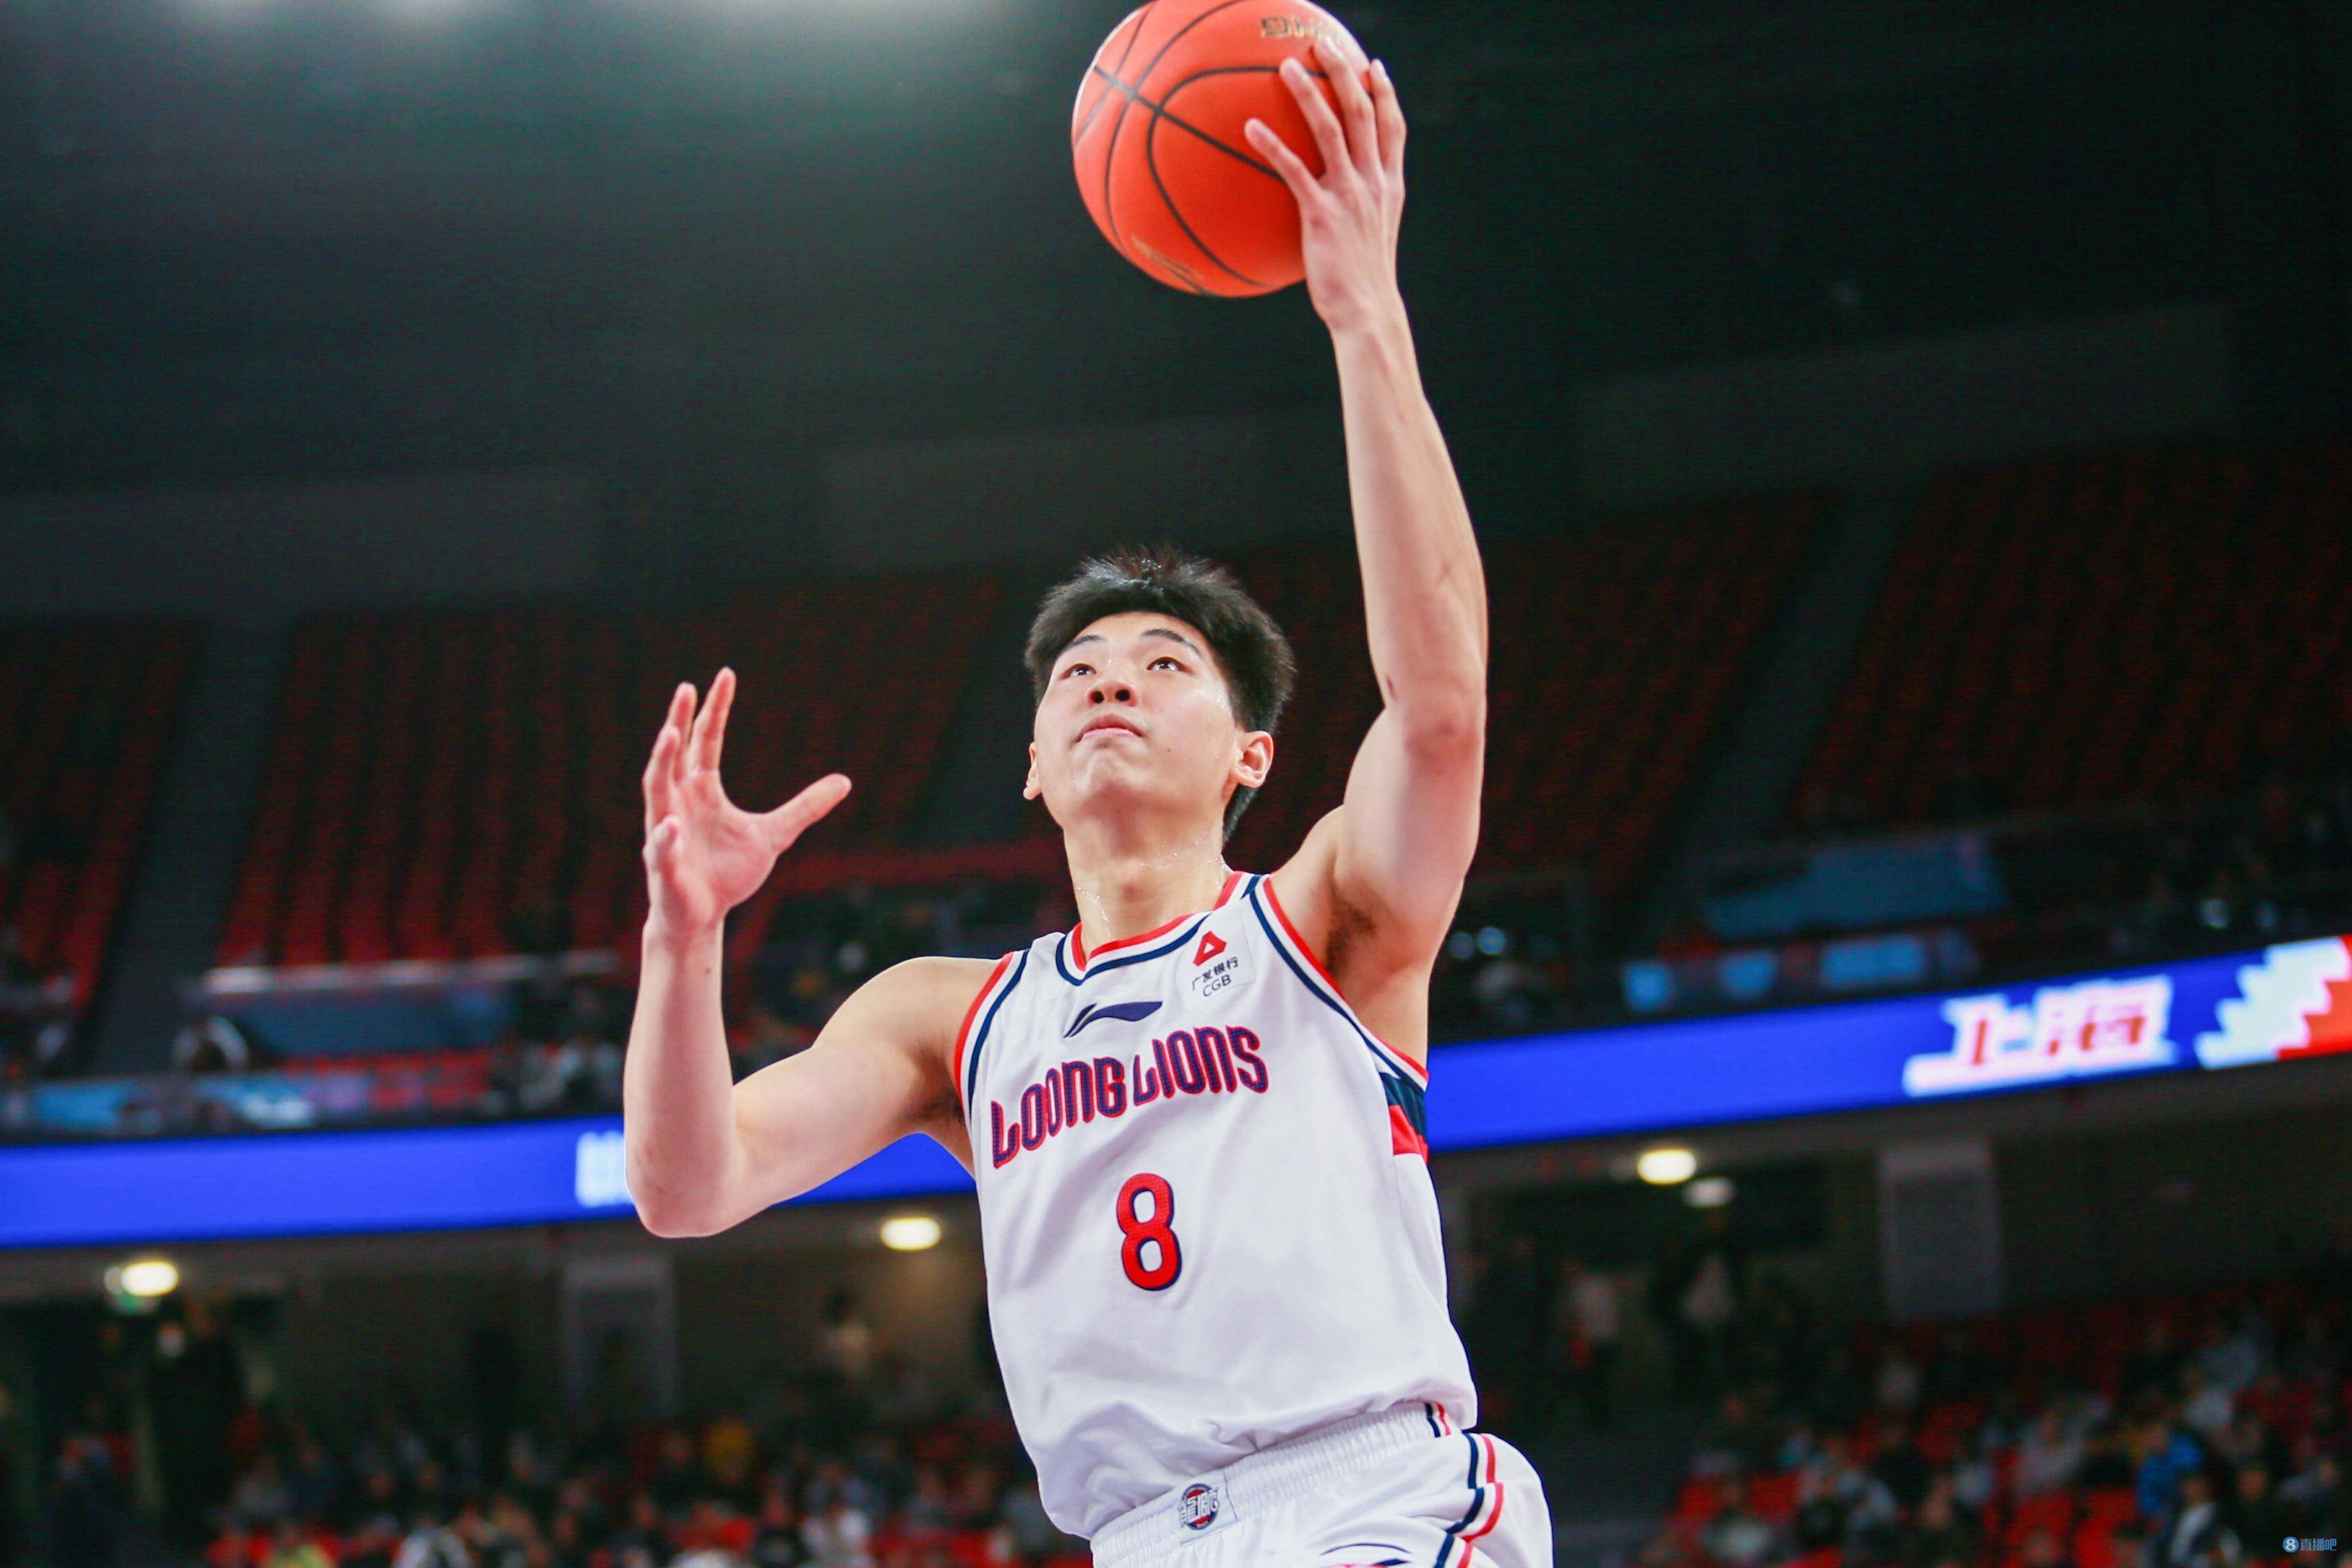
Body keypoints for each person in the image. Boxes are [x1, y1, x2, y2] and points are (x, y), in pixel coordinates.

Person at [621, 34, 1549, 1568]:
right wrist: (683, 936)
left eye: (1166, 661)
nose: (1110, 681)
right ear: (1036, 767)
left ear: (1253, 754)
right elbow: (686, 1186)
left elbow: (1442, 705)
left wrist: (1361, 310)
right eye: (1076, 674)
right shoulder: (949, 1018)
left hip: (1374, 1498)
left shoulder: (1331, 920)